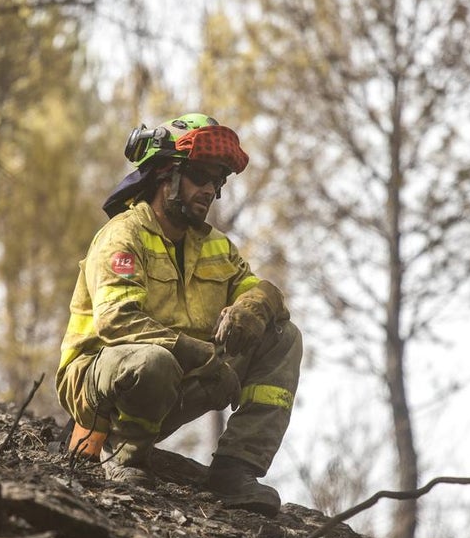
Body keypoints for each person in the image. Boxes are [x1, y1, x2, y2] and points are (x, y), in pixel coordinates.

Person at [55, 113, 302, 517]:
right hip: (100, 382)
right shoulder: (123, 236)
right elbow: (118, 322)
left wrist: (254, 306)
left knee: (283, 337)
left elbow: (261, 291)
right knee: (154, 361)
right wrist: (201, 355)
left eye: (217, 181)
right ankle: (122, 457)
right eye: (200, 176)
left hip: (172, 380)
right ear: (164, 175)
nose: (210, 190)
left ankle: (234, 471)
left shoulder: (215, 247)